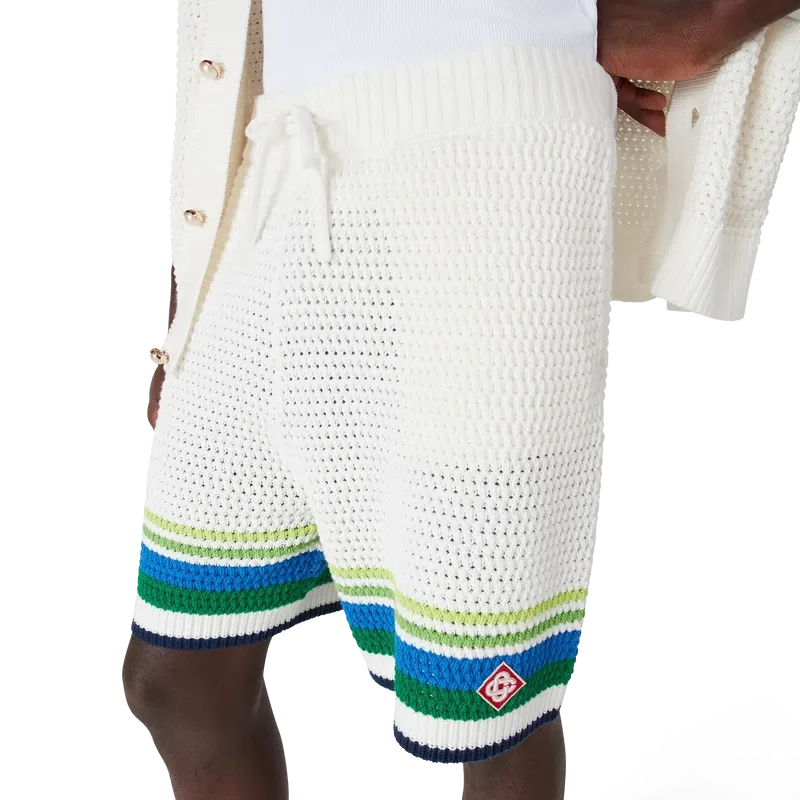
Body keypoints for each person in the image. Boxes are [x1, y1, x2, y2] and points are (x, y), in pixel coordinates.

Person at [126, 2, 799, 798]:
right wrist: (187, 286)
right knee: (175, 675)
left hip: (490, 161)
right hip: (274, 154)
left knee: (484, 705)